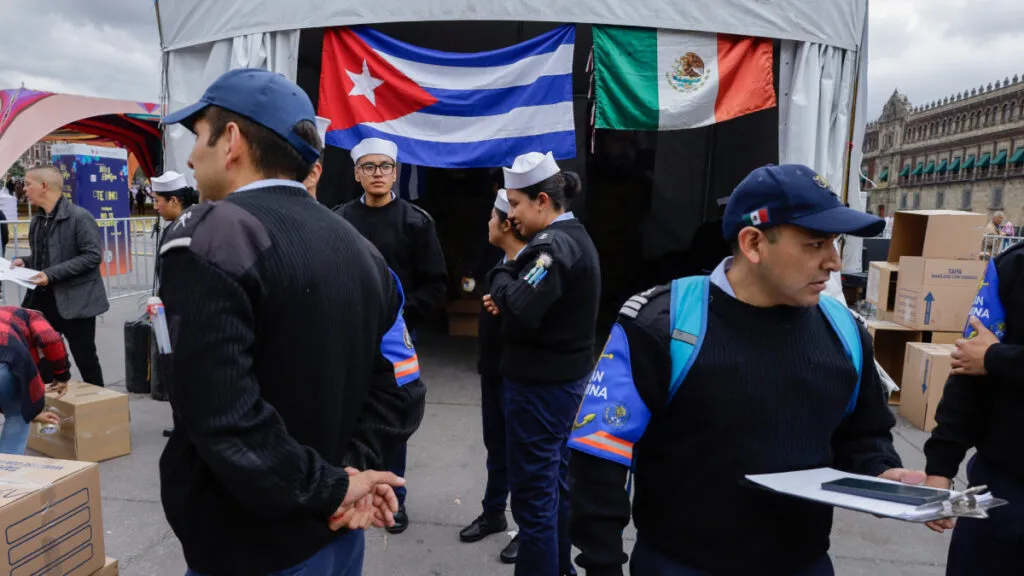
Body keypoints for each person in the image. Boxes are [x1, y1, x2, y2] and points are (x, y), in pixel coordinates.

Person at [568, 164, 926, 576]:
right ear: (753, 243)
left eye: (835, 242)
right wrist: (602, 564)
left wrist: (881, 473)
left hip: (805, 565)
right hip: (680, 565)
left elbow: (863, 434)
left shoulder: (845, 333)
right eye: (815, 243)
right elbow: (599, 455)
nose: (833, 261)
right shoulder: (663, 325)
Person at [157, 68, 424, 575]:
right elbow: (403, 386)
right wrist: (350, 474)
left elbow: (220, 412)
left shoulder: (212, 235)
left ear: (231, 140)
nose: (190, 159)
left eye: (198, 136)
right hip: (337, 533)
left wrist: (336, 486)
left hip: (249, 544)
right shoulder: (365, 253)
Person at [484, 151, 599, 576]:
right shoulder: (568, 240)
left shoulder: (550, 250)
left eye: (515, 204)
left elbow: (521, 306)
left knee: (534, 503)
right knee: (555, 489)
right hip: (558, 384)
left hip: (541, 390)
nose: (510, 216)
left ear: (543, 202)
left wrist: (505, 267)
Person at [334, 136, 448, 534]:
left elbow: (436, 284)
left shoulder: (416, 222)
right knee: (347, 410)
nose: (377, 174)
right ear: (357, 174)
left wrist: (397, 314)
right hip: (348, 335)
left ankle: (394, 498)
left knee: (392, 414)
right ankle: (348, 487)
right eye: (369, 167)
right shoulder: (340, 219)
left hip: (396, 337)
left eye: (384, 166)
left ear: (396, 173)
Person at [922, 239, 1023, 575]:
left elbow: (984, 357)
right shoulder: (1013, 266)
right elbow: (967, 370)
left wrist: (997, 358)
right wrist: (940, 469)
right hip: (1003, 489)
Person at [459, 189, 527, 563]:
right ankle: (493, 511)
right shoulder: (494, 258)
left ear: (506, 224)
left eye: (491, 217)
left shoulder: (535, 263)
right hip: (492, 368)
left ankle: (527, 529)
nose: (487, 223)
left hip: (520, 372)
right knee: (495, 444)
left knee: (523, 451)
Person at [12, 165, 108, 387]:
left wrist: (50, 274)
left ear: (44, 186)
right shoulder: (38, 220)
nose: (24, 189)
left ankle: (101, 404)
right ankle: (53, 398)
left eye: (28, 184)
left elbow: (92, 256)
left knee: (85, 358)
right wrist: (25, 262)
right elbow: (45, 258)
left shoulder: (79, 217)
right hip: (43, 301)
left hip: (76, 302)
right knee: (42, 355)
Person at [150, 170, 199, 439]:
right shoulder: (175, 226)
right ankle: (181, 422)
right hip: (170, 311)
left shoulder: (190, 227)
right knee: (174, 370)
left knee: (185, 372)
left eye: (157, 200)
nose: (155, 207)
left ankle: (189, 424)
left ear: (174, 201)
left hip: (186, 315)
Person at [0, 306, 69, 454]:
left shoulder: (7, 316)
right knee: (17, 415)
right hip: (3, 357)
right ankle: (7, 466)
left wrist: (33, 413)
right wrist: (61, 376)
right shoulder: (33, 316)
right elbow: (50, 339)